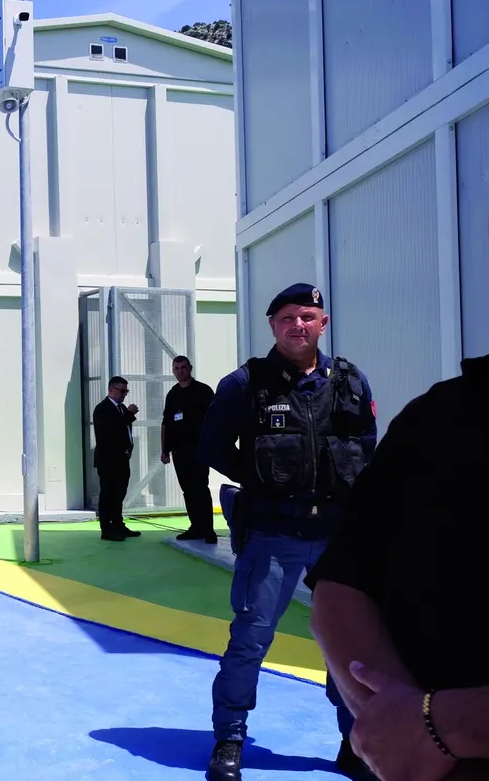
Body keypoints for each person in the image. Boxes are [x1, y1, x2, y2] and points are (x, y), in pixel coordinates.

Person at [305, 151, 489, 781]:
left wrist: (437, 727)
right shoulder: (440, 419)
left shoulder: (349, 382)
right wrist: (395, 730)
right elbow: (341, 589)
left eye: (310, 317)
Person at [198, 283, 378, 781]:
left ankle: (354, 743)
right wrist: (258, 480)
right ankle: (229, 739)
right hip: (274, 534)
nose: (297, 325)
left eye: (307, 316)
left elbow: (368, 447)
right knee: (251, 639)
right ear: (272, 326)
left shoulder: (349, 382)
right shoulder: (245, 384)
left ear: (322, 323)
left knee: (350, 646)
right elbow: (211, 446)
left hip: (339, 539)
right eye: (286, 318)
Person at [159, 355, 217, 543]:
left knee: (201, 488)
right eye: (176, 368)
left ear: (190, 368)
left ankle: (208, 529)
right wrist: (164, 450)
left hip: (199, 450)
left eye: (183, 367)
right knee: (188, 490)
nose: (179, 371)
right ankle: (196, 526)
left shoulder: (203, 391)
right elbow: (166, 423)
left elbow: (215, 419)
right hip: (179, 451)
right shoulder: (173, 394)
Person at [92, 376, 142, 541]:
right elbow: (113, 430)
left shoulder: (120, 409)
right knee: (108, 494)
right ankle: (106, 529)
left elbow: (123, 431)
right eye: (122, 391)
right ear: (111, 389)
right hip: (108, 461)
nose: (124, 395)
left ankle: (118, 524)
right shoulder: (102, 409)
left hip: (121, 459)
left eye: (126, 391)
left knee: (119, 494)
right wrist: (129, 415)